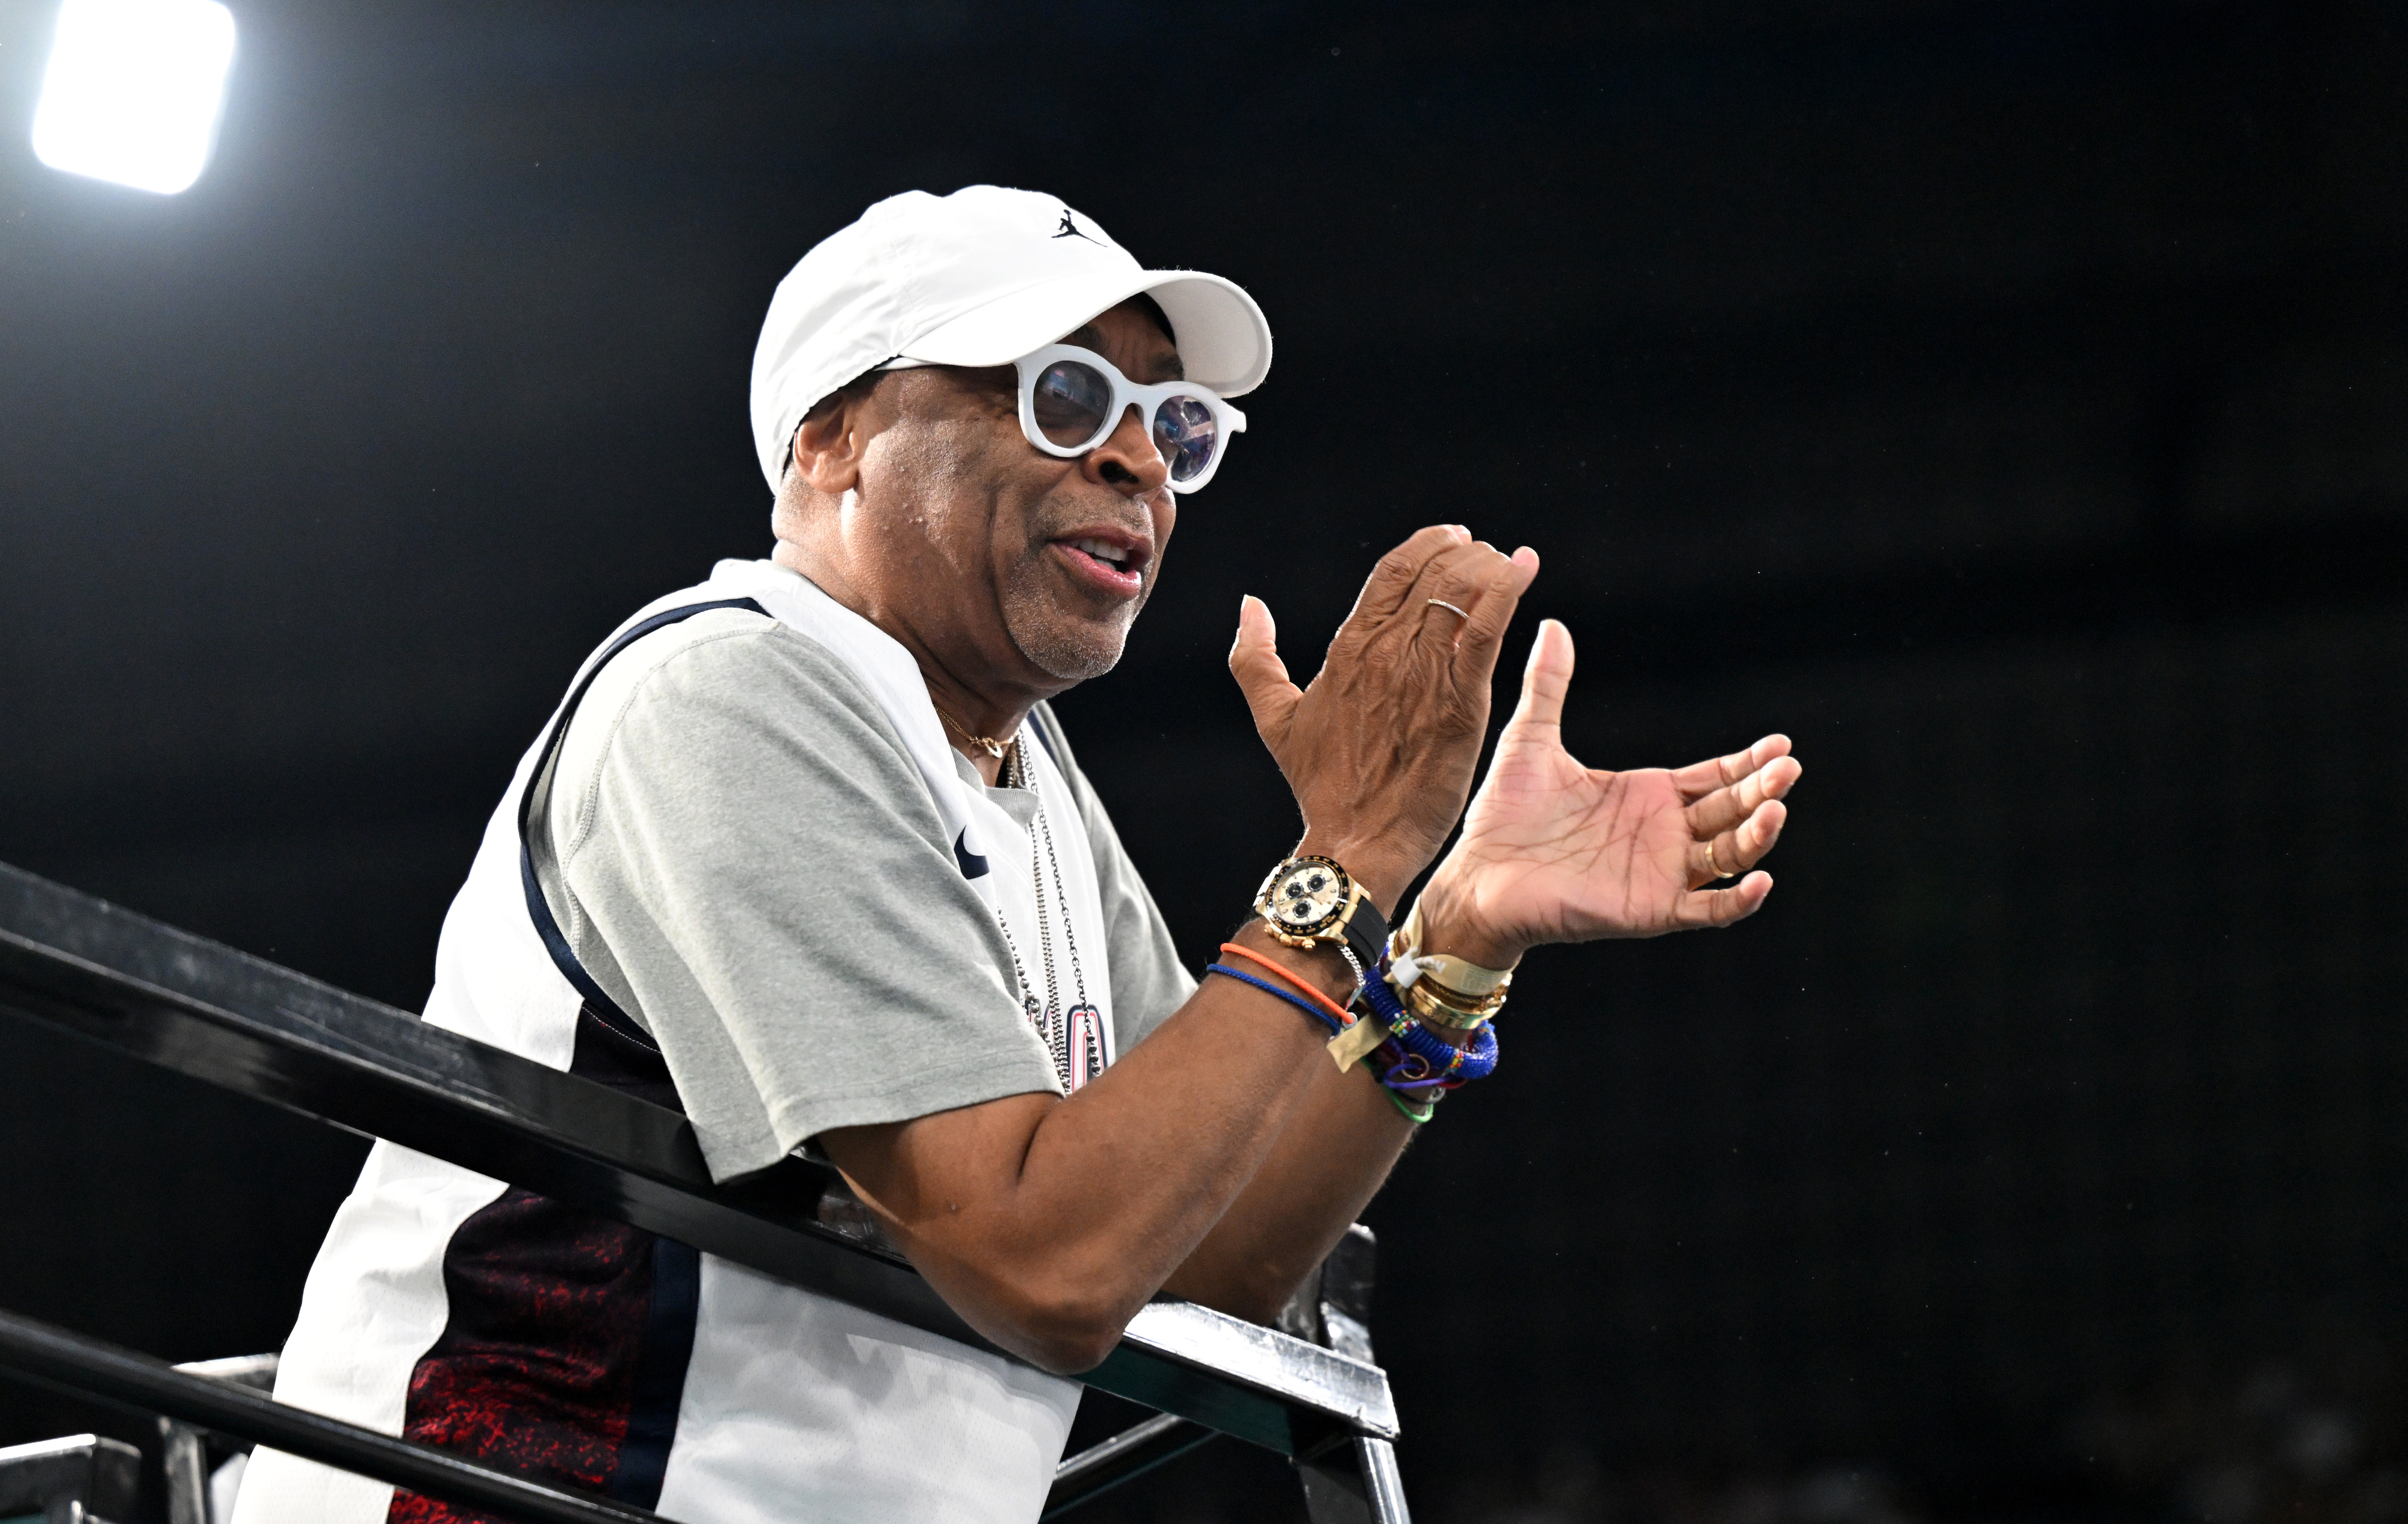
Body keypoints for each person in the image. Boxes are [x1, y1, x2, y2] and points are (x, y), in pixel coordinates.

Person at [232, 185, 1802, 1524]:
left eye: (1173, 427)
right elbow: (1045, 1264)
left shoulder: (1022, 776)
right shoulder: (728, 693)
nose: (1137, 464)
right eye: (1062, 399)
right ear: (837, 443)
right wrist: (1354, 844)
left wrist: (1450, 941)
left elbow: (1203, 1255)